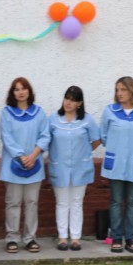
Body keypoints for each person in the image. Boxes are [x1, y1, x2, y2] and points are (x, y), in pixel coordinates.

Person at [100, 76, 133, 253]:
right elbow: (104, 135)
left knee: (132, 201)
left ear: (132, 91)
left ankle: (130, 238)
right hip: (115, 163)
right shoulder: (110, 111)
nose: (119, 93)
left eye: (123, 89)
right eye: (117, 90)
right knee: (115, 201)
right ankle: (116, 237)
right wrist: (118, 150)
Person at [0, 77, 50, 253]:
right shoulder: (7, 113)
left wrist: (34, 155)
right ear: (12, 93)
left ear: (29, 91)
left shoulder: (39, 112)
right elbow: (7, 137)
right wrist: (21, 157)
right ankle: (12, 238)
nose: (20, 92)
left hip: (34, 164)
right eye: (16, 89)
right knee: (13, 202)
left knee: (32, 202)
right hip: (13, 165)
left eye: (23, 88)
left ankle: (30, 238)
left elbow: (45, 136)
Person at [47, 86, 100, 251]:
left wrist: (83, 152)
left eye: (72, 99)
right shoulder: (54, 119)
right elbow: (46, 140)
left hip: (80, 167)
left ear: (79, 103)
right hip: (59, 167)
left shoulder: (87, 120)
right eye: (66, 98)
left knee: (77, 202)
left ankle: (76, 238)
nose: (68, 102)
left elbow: (96, 140)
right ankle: (62, 237)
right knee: (62, 202)